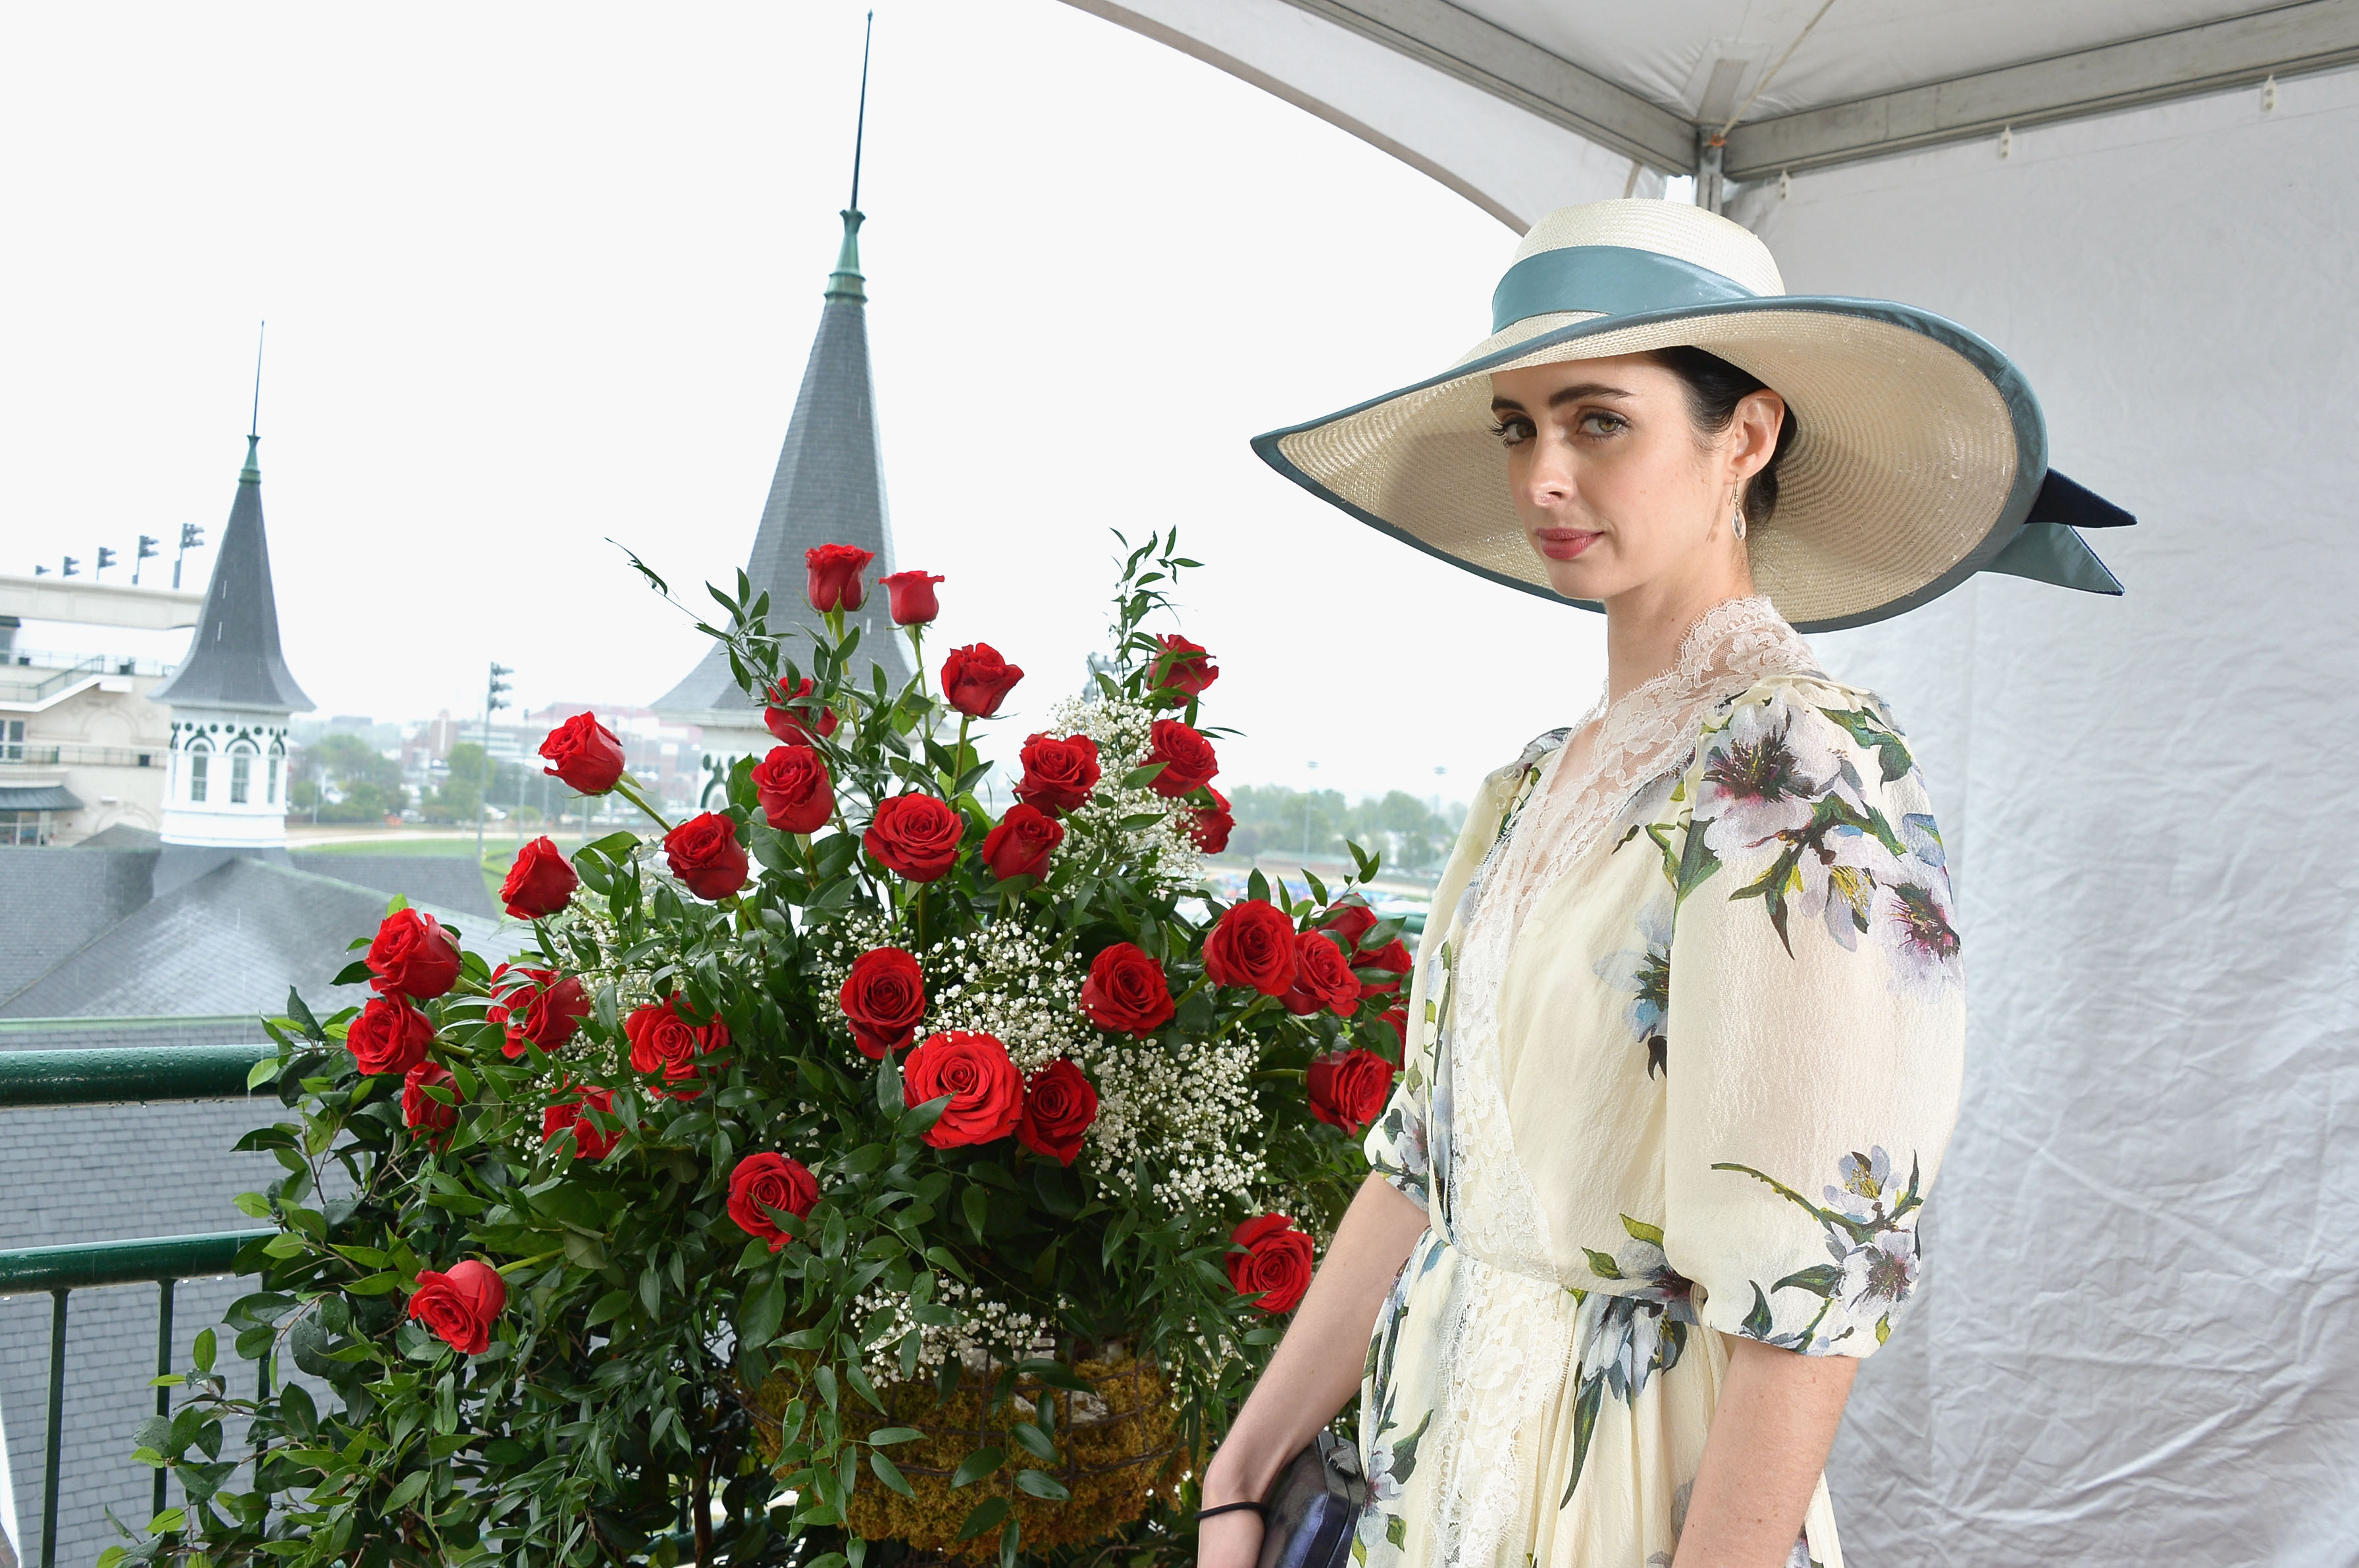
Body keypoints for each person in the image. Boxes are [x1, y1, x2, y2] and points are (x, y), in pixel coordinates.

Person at [1198, 201, 2129, 1566]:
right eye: (1519, 427)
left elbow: (1814, 1280)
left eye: (1597, 422)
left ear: (1742, 437)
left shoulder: (1794, 767)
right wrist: (1243, 1468)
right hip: (1429, 1458)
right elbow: (1418, 1163)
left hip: (1632, 1494)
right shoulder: (1525, 785)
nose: (1541, 478)